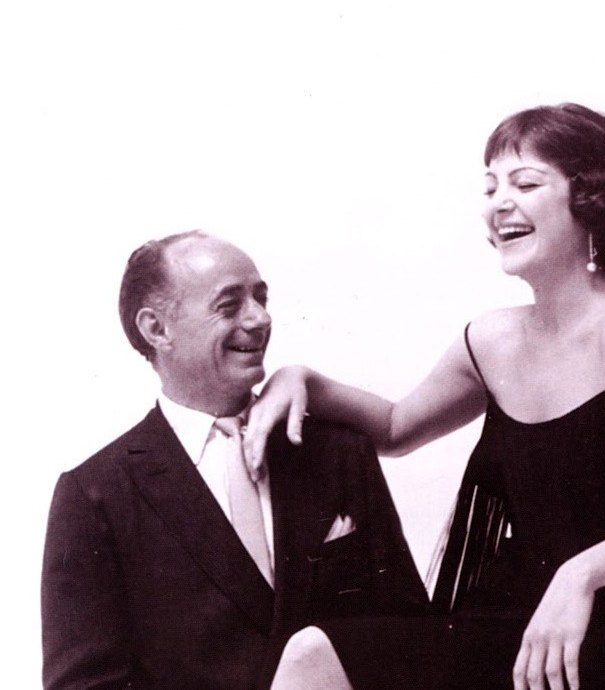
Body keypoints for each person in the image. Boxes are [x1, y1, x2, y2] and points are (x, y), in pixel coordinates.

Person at [245, 103, 605, 690]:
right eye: (491, 187)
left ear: (593, 201)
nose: (499, 203)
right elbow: (396, 428)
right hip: (513, 618)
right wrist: (301, 378)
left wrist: (581, 575)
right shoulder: (490, 339)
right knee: (314, 653)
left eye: (525, 184)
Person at [41, 232, 428, 690]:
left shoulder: (339, 453)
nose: (260, 318)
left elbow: (414, 637)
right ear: (157, 330)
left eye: (260, 298)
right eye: (229, 305)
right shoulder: (96, 494)